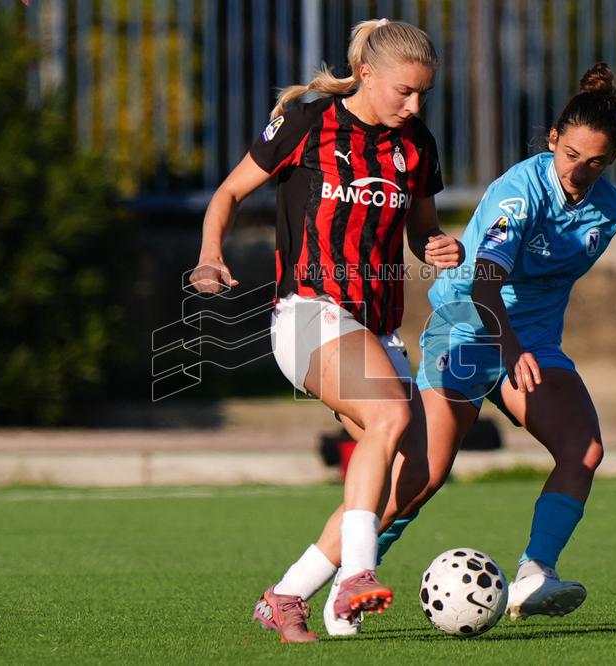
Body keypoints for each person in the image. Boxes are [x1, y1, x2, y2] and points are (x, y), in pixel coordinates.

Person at [190, 19, 462, 643]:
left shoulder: (416, 144)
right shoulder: (308, 123)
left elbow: (422, 230)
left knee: (416, 475)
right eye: (404, 91)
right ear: (366, 74)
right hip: (309, 314)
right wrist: (209, 254)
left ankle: (287, 596)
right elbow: (228, 193)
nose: (414, 106)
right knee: (389, 417)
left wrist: (438, 246)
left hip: (377, 329)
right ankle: (357, 577)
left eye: (423, 94)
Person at [363, 62, 616, 627]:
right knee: (423, 478)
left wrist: (520, 347)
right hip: (467, 328)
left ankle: (535, 572)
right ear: (552, 139)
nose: (579, 170)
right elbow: (486, 282)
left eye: (596, 162)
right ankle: (349, 574)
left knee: (583, 450)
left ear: (611, 160)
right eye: (570, 154)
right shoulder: (518, 192)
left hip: (531, 344)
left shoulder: (610, 212)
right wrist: (507, 348)